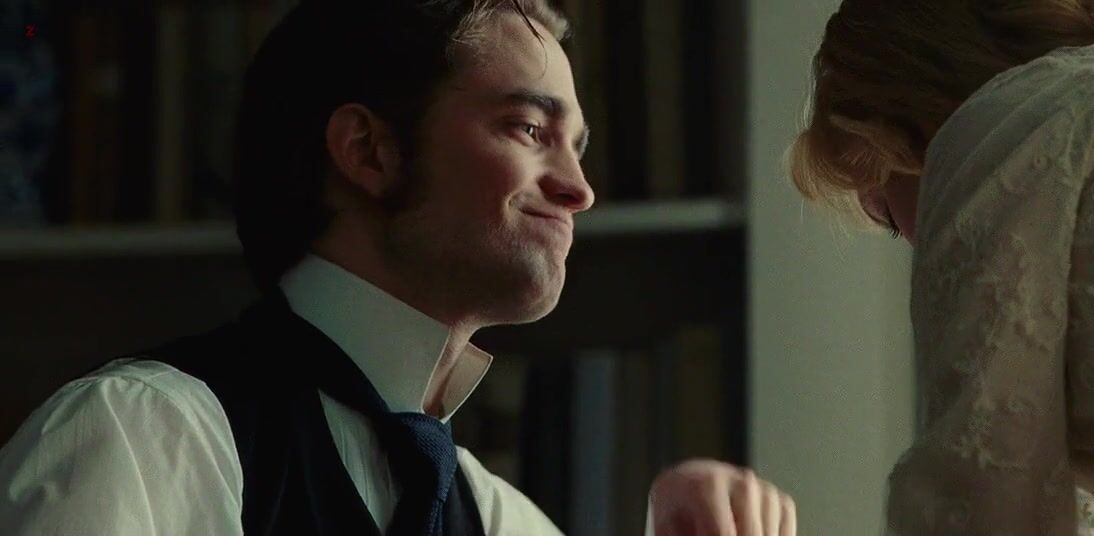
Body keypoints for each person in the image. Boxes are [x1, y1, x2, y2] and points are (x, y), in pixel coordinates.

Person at [0, 1, 798, 535]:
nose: (578, 188)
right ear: (369, 151)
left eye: (578, 147)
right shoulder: (139, 440)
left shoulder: (504, 520)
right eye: (528, 129)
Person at [789, 0, 1094, 534]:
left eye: (885, 211)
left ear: (907, 120)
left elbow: (981, 509)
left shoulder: (998, 148)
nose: (910, 241)